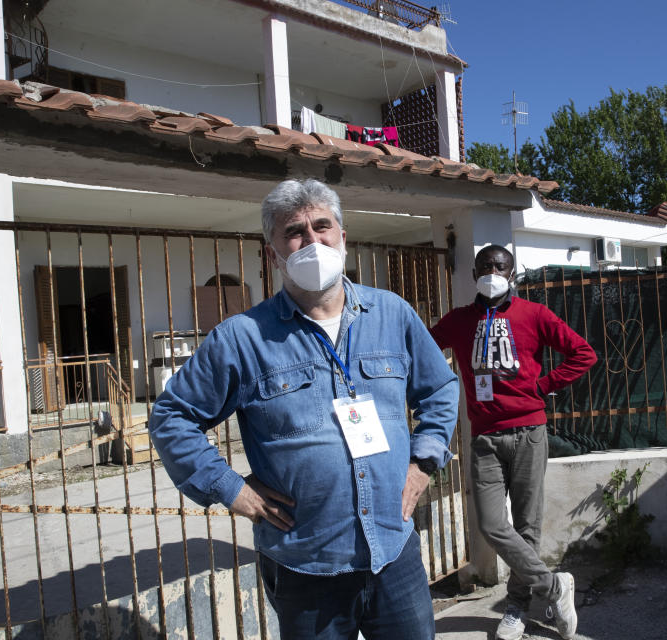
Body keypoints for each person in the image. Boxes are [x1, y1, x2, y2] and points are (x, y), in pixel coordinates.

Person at [149, 179, 460, 639]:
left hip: (394, 552)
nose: (312, 241)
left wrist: (422, 464)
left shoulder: (393, 314)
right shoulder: (242, 338)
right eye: (294, 232)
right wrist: (230, 487)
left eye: (322, 226)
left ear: (343, 237)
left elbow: (440, 390)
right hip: (305, 564)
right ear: (272, 253)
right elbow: (172, 417)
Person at [429, 244, 597, 640]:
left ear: (512, 274)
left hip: (528, 433)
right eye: (486, 265)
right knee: (490, 523)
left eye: (500, 266)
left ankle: (517, 606)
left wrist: (545, 384)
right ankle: (555, 586)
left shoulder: (534, 314)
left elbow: (583, 353)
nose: (493, 271)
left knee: (526, 525)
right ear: (474, 273)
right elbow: (422, 348)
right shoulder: (458, 321)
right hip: (485, 436)